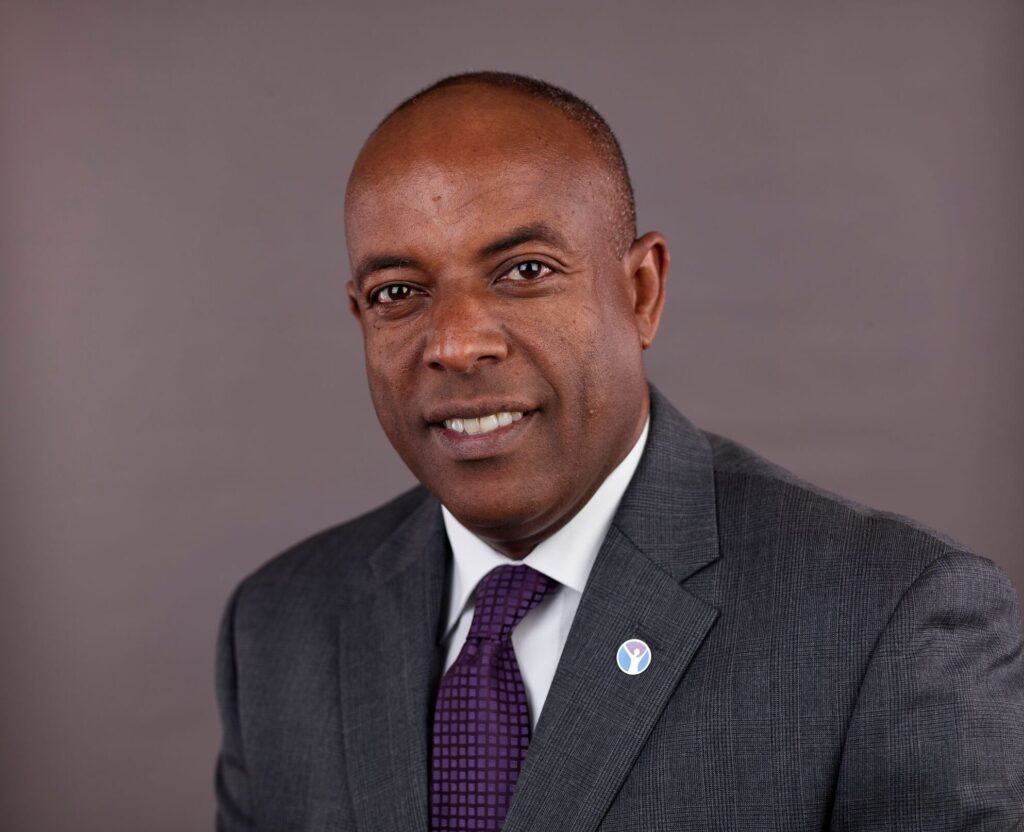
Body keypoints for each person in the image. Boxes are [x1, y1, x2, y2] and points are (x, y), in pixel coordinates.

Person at [215, 72, 1024, 831]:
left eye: (524, 270)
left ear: (642, 291)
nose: (456, 343)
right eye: (399, 292)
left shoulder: (889, 620)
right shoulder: (279, 627)